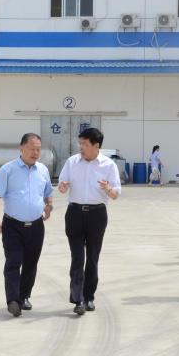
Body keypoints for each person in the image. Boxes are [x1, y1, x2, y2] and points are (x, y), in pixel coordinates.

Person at [58, 127, 121, 315]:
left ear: (96, 145)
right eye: (80, 144)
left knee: (92, 258)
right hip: (75, 213)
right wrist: (63, 187)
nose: (81, 147)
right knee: (78, 258)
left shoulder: (108, 165)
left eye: (84, 144)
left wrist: (107, 188)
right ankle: (77, 299)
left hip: (97, 215)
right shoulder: (72, 162)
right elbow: (62, 186)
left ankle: (89, 297)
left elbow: (115, 194)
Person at [0, 133, 53, 317]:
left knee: (31, 264)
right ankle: (13, 300)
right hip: (13, 225)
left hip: (36, 225)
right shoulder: (8, 170)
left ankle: (24, 296)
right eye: (32, 149)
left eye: (38, 149)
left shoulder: (43, 170)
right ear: (21, 148)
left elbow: (48, 192)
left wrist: (49, 206)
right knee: (13, 262)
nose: (35, 153)